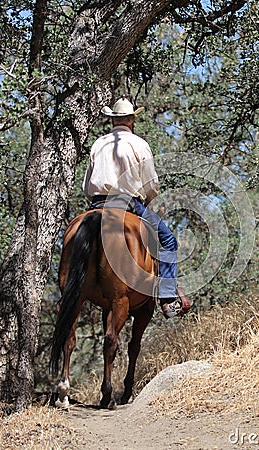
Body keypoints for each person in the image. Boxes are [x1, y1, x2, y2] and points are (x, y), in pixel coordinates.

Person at [82, 97, 191, 318]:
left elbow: (86, 186)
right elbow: (151, 184)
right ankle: (168, 298)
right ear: (131, 119)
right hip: (128, 204)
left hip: (97, 203)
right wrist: (149, 200)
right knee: (169, 240)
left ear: (113, 120)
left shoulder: (98, 144)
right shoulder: (139, 144)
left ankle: (71, 291)